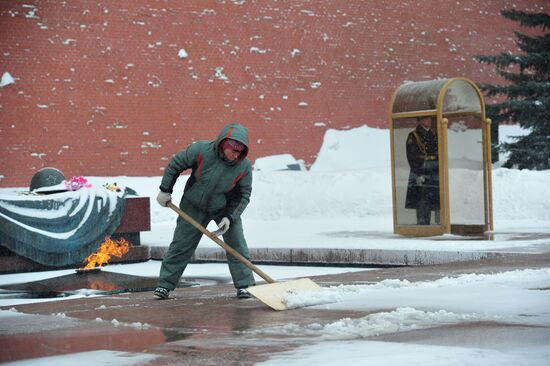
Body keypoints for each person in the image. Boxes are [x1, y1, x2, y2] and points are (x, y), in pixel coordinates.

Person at [154, 122, 256, 299]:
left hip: (223, 208)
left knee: (237, 245)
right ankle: (165, 285)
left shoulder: (243, 166)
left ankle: (245, 285)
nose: (236, 155)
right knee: (181, 245)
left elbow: (243, 195)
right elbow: (175, 165)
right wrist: (165, 190)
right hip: (193, 205)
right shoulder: (201, 150)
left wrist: (230, 217)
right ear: (223, 144)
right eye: (233, 150)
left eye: (240, 152)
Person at [405, 116, 440, 225]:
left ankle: (434, 224)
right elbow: (411, 156)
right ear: (419, 121)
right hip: (421, 169)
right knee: (421, 200)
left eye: (429, 119)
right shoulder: (414, 135)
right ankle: (422, 225)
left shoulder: (434, 134)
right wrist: (418, 173)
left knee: (431, 198)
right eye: (425, 119)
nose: (428, 121)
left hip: (433, 169)